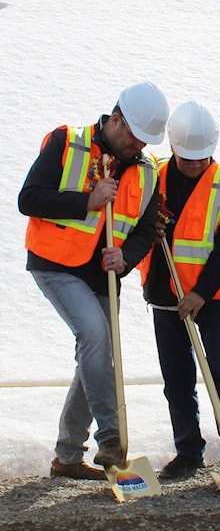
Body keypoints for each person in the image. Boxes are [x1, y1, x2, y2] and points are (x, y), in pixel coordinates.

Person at [18, 81, 169, 480]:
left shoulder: (148, 171)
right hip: (55, 264)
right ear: (115, 119)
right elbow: (28, 199)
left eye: (145, 141)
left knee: (95, 357)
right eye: (134, 136)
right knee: (95, 338)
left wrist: (126, 258)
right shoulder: (67, 142)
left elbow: (146, 229)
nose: (139, 146)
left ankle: (67, 457)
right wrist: (86, 200)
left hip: (103, 276)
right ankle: (111, 439)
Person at [138, 101, 220, 480]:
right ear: (172, 147)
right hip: (164, 292)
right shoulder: (151, 175)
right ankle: (188, 452)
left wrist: (201, 293)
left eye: (200, 158)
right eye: (187, 159)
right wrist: (146, 230)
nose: (193, 164)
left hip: (211, 297)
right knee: (177, 377)